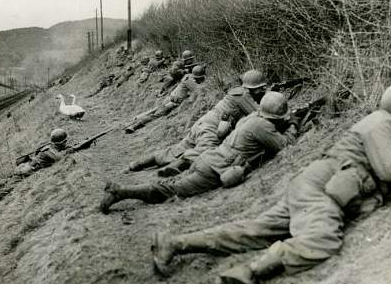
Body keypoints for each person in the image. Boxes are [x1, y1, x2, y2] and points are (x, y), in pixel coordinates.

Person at [150, 83, 391, 284]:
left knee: (255, 229)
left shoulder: (378, 122)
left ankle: (175, 243)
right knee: (323, 239)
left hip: (312, 183)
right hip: (322, 192)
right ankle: (251, 270)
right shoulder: (381, 125)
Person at [101, 91, 296, 214]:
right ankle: (120, 192)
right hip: (215, 169)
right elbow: (284, 144)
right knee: (172, 191)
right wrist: (293, 125)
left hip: (207, 159)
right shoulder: (262, 125)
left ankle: (124, 189)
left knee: (170, 184)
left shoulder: (253, 117)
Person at [127, 69, 271, 177]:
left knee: (178, 147)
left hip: (203, 123)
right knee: (206, 151)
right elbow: (261, 114)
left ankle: (138, 164)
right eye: (261, 88)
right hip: (212, 127)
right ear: (253, 87)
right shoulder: (243, 95)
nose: (263, 91)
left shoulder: (237, 92)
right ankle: (176, 165)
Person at [0, 129, 71, 216]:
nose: (66, 143)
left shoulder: (48, 146)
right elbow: (59, 158)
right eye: (65, 141)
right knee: (7, 189)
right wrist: (71, 150)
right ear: (61, 142)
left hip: (25, 167)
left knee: (4, 182)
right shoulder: (49, 150)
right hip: (25, 171)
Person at [125, 65, 206, 134]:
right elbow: (200, 90)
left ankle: (134, 120)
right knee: (155, 115)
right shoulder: (191, 81)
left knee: (154, 110)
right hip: (172, 102)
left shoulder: (187, 76)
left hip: (168, 98)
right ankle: (134, 125)